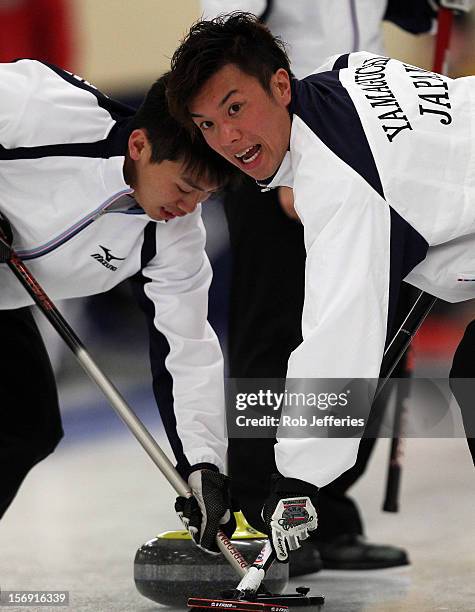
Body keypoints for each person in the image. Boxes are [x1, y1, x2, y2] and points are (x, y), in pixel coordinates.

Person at [166, 11, 475, 563]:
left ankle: (274, 507)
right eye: (208, 125)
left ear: (281, 85)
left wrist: (297, 480)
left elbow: (340, 336)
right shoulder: (344, 75)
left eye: (235, 108)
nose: (228, 138)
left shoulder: (340, 183)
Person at [0, 60, 240, 552]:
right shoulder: (41, 106)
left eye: (205, 196)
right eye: (184, 187)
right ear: (139, 146)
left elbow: (187, 348)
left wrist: (203, 466)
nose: (189, 207)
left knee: (27, 426)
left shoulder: (174, 234)